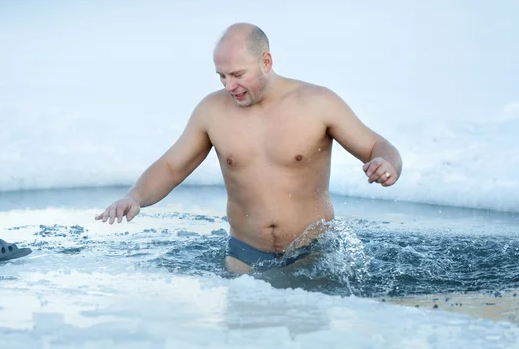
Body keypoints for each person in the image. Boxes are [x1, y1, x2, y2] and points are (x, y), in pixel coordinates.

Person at [95, 23, 402, 274]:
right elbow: (171, 167)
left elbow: (377, 145)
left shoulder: (317, 103)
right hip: (243, 255)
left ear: (266, 62)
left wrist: (386, 163)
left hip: (314, 254)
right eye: (222, 76)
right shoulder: (212, 111)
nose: (229, 86)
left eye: (238, 75)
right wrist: (134, 197)